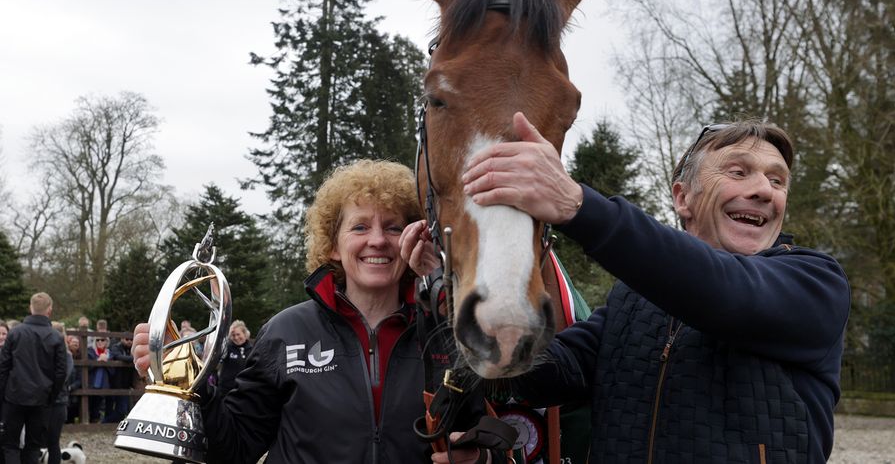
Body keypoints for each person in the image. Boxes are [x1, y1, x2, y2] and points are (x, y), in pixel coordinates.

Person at [414, 113, 851, 463]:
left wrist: (577, 206)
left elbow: (725, 291)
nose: (762, 190)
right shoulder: (632, 298)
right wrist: (457, 289)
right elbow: (546, 372)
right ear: (683, 198)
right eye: (739, 171)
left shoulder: (815, 282)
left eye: (777, 181)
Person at [132, 160, 496, 463]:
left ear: (414, 237)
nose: (378, 240)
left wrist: (480, 458)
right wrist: (189, 387)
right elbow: (235, 448)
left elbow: (482, 436)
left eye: (393, 227)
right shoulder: (286, 331)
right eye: (359, 227)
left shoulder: (447, 335)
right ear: (333, 246)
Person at [0, 292, 68, 464]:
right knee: (33, 446)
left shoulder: (15, 334)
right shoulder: (56, 338)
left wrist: (3, 395)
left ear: (30, 308)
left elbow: (3, 367)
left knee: (11, 445)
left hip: (14, 397)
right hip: (42, 399)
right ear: (49, 310)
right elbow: (61, 372)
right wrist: (51, 396)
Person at [46, 322, 74, 464]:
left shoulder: (67, 356)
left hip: (58, 401)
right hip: (46, 401)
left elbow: (63, 377)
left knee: (53, 441)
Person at [104, 335, 135, 423]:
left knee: (122, 410)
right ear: (121, 339)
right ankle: (104, 423)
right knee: (109, 407)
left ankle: (105, 422)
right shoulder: (115, 347)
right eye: (127, 339)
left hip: (125, 384)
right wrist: (135, 359)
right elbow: (119, 357)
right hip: (113, 382)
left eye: (131, 339)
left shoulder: (132, 349)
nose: (129, 341)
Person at [217, 320, 252, 395]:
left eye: (238, 334)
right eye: (233, 335)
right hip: (226, 390)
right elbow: (218, 356)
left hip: (245, 390)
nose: (236, 337)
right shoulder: (227, 348)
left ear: (245, 334)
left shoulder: (252, 349)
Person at [86, 336, 111, 422]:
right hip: (91, 384)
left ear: (106, 342)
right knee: (89, 405)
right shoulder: (89, 351)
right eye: (97, 340)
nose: (100, 342)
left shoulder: (109, 353)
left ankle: (97, 421)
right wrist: (98, 361)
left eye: (102, 340)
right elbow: (86, 368)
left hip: (104, 384)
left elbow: (113, 372)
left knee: (99, 406)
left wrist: (106, 362)